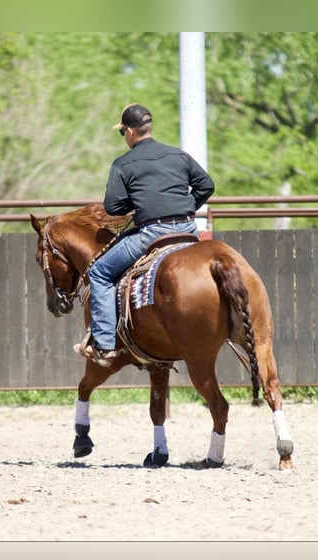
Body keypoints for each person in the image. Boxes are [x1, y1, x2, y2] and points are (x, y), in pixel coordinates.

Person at [76, 103, 215, 368]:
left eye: (122, 133)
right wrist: (184, 207)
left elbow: (112, 207)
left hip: (151, 234)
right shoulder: (178, 155)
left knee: (99, 274)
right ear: (147, 128)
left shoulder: (122, 164)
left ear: (129, 131)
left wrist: (141, 204)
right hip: (187, 230)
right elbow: (206, 185)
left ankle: (104, 345)